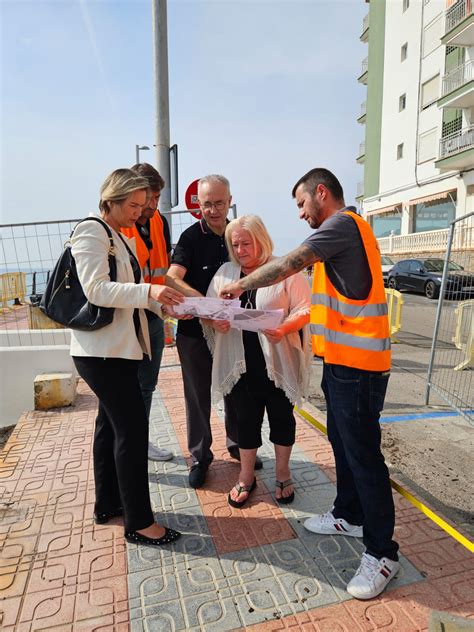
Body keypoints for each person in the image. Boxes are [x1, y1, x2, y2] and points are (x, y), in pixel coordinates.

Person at [220, 168, 399, 600]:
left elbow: (287, 265)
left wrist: (241, 284)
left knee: (363, 457)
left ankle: (383, 552)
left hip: (359, 367)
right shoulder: (348, 230)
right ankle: (348, 514)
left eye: (302, 203)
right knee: (341, 442)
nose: (301, 214)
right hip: (342, 363)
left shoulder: (339, 225)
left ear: (322, 193)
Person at [70, 168, 183, 546]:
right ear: (111, 200)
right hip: (101, 352)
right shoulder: (92, 230)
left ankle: (109, 505)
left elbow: (132, 291)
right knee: (131, 432)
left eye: (143, 204)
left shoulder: (119, 234)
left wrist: (162, 303)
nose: (140, 211)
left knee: (110, 427)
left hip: (114, 350)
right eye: (133, 205)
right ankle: (140, 522)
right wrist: (149, 294)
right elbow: (97, 289)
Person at [202, 215, 311, 508]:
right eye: (234, 244)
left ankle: (282, 473)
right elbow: (209, 309)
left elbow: (304, 308)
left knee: (282, 420)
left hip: (277, 361)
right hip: (241, 364)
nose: (240, 250)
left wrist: (284, 328)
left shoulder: (284, 269)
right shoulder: (226, 272)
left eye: (246, 243)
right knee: (244, 423)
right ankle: (246, 476)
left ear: (261, 239)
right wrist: (215, 321)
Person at [167, 175, 262, 489]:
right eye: (206, 203)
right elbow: (172, 278)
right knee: (197, 398)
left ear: (230, 200)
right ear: (198, 204)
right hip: (194, 334)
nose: (213, 210)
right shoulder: (190, 237)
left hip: (233, 334)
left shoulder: (239, 235)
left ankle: (238, 444)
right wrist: (207, 308)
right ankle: (200, 457)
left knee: (237, 389)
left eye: (219, 203)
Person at [122, 162, 173, 462]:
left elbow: (162, 271)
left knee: (146, 387)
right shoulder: (118, 225)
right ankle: (127, 446)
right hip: (126, 321)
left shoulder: (160, 223)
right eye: (149, 199)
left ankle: (139, 442)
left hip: (153, 317)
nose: (153, 205)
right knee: (123, 391)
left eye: (156, 199)